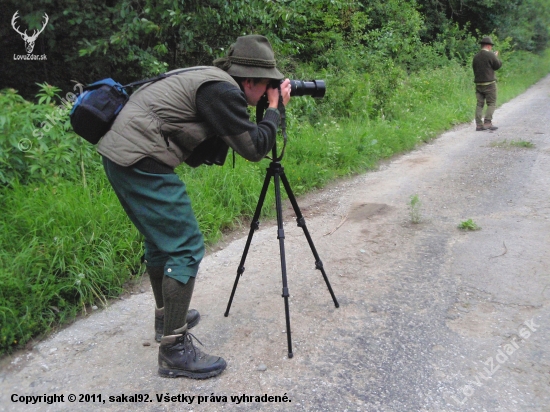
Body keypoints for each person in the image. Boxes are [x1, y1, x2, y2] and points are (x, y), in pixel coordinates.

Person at [96, 35, 291, 379]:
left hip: (122, 153)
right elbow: (254, 148)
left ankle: (165, 318)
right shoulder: (223, 92)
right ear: (249, 81)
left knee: (161, 242)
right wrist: (275, 110)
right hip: (139, 157)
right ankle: (173, 349)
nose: (266, 93)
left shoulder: (212, 79)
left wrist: (267, 104)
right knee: (186, 247)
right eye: (265, 87)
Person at [472, 36, 502, 131]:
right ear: (489, 46)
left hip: (478, 84)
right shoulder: (491, 55)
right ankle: (487, 123)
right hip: (489, 84)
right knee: (491, 103)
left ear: (482, 45)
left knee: (479, 104)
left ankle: (479, 125)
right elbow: (497, 66)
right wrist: (496, 57)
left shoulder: (476, 57)